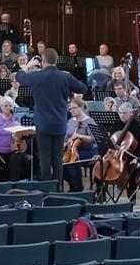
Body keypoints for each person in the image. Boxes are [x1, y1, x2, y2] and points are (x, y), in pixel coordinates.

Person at [15, 48, 87, 183]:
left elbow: (19, 76)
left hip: (43, 124)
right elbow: (83, 88)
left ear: (43, 61)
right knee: (57, 158)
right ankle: (57, 189)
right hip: (60, 124)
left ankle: (47, 189)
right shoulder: (65, 76)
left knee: (45, 158)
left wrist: (28, 66)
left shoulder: (38, 75)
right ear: (56, 60)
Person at [0, 96, 29, 182]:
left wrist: (18, 129)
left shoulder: (16, 119)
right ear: (1, 107)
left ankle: (13, 185)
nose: (8, 107)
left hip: (13, 150)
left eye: (10, 106)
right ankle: (0, 184)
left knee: (15, 162)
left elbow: (21, 137)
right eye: (6, 105)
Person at [62, 98, 97, 192]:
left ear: (81, 107)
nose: (72, 110)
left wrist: (79, 136)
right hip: (71, 149)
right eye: (70, 109)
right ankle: (72, 184)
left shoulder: (89, 121)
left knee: (73, 162)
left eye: (74, 108)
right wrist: (66, 142)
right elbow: (65, 138)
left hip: (87, 150)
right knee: (60, 162)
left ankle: (78, 187)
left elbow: (94, 139)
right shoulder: (70, 121)